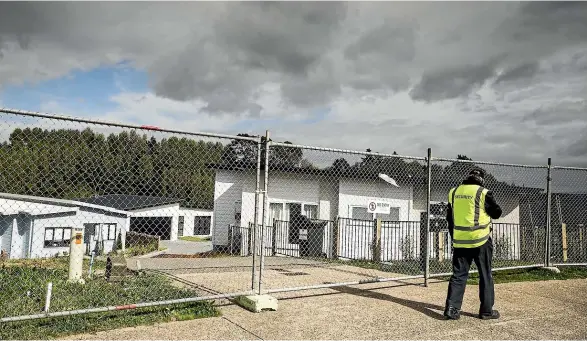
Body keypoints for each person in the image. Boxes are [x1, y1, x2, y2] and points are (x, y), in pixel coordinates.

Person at [443, 168, 503, 320]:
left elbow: (449, 218)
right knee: (485, 275)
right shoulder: (484, 193)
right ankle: (486, 311)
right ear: (482, 179)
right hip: (480, 240)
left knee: (458, 275)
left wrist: (454, 237)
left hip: (460, 240)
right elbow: (497, 213)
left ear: (467, 177)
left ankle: (452, 309)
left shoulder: (453, 192)